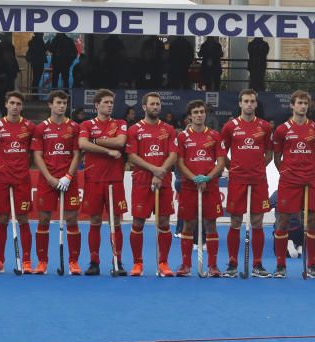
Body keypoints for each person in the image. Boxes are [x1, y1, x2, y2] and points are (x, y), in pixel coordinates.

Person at [219, 89, 273, 277]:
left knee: (257, 222)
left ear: (256, 104)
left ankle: (257, 264)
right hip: (237, 180)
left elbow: (269, 153)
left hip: (258, 180)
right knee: (235, 221)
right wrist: (232, 166)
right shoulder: (230, 126)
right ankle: (232, 263)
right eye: (246, 101)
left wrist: (259, 166)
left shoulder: (265, 126)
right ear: (240, 104)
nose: (249, 104)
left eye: (252, 101)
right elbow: (221, 152)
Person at [271, 90, 315, 278]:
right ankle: (280, 265)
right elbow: (277, 157)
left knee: (312, 222)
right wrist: (285, 173)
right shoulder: (282, 129)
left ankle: (313, 265)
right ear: (292, 105)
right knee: (283, 222)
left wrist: (310, 171)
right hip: (288, 181)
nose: (302, 106)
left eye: (305, 103)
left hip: (310, 181)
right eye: (299, 103)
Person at [125, 92, 178, 277]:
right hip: (141, 181)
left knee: (164, 222)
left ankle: (163, 262)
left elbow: (173, 154)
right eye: (152, 104)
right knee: (138, 222)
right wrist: (154, 170)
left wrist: (161, 171)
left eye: (158, 104)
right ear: (144, 107)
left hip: (163, 181)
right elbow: (131, 156)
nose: (156, 107)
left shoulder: (169, 129)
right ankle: (137, 263)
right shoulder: (134, 130)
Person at [78, 89, 129, 275]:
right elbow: (83, 144)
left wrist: (96, 140)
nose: (109, 105)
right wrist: (107, 150)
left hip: (115, 179)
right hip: (94, 179)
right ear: (97, 105)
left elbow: (120, 142)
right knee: (96, 220)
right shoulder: (86, 124)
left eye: (111, 103)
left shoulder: (121, 123)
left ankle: (118, 261)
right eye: (106, 102)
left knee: (115, 221)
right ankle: (94, 262)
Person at [31, 90, 82, 275]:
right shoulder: (41, 128)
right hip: (47, 180)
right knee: (43, 219)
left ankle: (74, 262)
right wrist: (50, 178)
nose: (61, 106)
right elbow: (37, 155)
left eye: (64, 103)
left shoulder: (74, 127)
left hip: (69, 180)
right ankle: (42, 262)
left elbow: (77, 154)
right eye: (58, 102)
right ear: (50, 104)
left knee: (72, 219)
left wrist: (68, 176)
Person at [175, 100, 225, 276]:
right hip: (189, 187)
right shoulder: (182, 137)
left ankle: (213, 266)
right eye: (195, 112)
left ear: (206, 114)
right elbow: (179, 162)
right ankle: (186, 265)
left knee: (211, 224)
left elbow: (220, 162)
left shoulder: (215, 135)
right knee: (188, 224)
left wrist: (208, 177)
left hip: (210, 186)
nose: (199, 115)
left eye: (202, 112)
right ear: (190, 115)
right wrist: (194, 178)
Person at [0, 91, 36, 273]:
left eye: (18, 104)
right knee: (2, 218)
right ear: (6, 104)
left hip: (22, 180)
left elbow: (32, 153)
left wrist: (21, 168)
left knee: (23, 218)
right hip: (2, 180)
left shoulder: (30, 127)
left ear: (22, 106)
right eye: (12, 103)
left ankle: (26, 261)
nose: (15, 106)